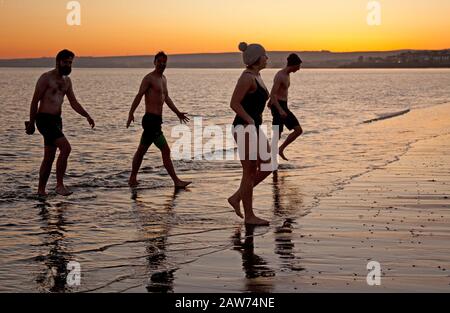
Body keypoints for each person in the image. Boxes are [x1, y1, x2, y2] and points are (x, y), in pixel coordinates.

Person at [25, 49, 95, 197]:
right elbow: (34, 101)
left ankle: (41, 191)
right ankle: (59, 185)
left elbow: (73, 102)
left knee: (49, 157)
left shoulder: (67, 81)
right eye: (66, 62)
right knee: (66, 148)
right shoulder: (46, 78)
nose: (68, 65)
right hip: (44, 119)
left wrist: (86, 115)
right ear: (58, 62)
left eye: (70, 63)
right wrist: (31, 123)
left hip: (57, 121)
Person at [127, 51, 192, 189]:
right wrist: (131, 113)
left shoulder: (163, 79)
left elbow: (166, 98)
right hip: (150, 120)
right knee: (166, 150)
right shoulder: (149, 78)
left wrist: (178, 113)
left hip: (157, 120)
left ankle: (132, 178)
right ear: (154, 62)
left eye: (164, 62)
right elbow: (139, 95)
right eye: (159, 61)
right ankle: (176, 181)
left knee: (141, 150)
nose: (162, 64)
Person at [228, 42, 273, 226]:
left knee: (269, 164)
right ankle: (249, 216)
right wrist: (250, 120)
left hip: (253, 127)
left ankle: (237, 197)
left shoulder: (257, 75)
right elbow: (234, 103)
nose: (267, 58)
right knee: (249, 171)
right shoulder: (247, 77)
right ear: (256, 58)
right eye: (264, 55)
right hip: (244, 127)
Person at [268, 53, 303, 161]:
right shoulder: (280, 75)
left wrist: (272, 103)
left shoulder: (287, 75)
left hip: (283, 105)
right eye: (298, 66)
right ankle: (270, 159)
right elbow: (272, 94)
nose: (299, 69)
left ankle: (280, 150)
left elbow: (278, 93)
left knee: (298, 130)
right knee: (276, 134)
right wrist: (279, 109)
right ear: (294, 65)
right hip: (278, 106)